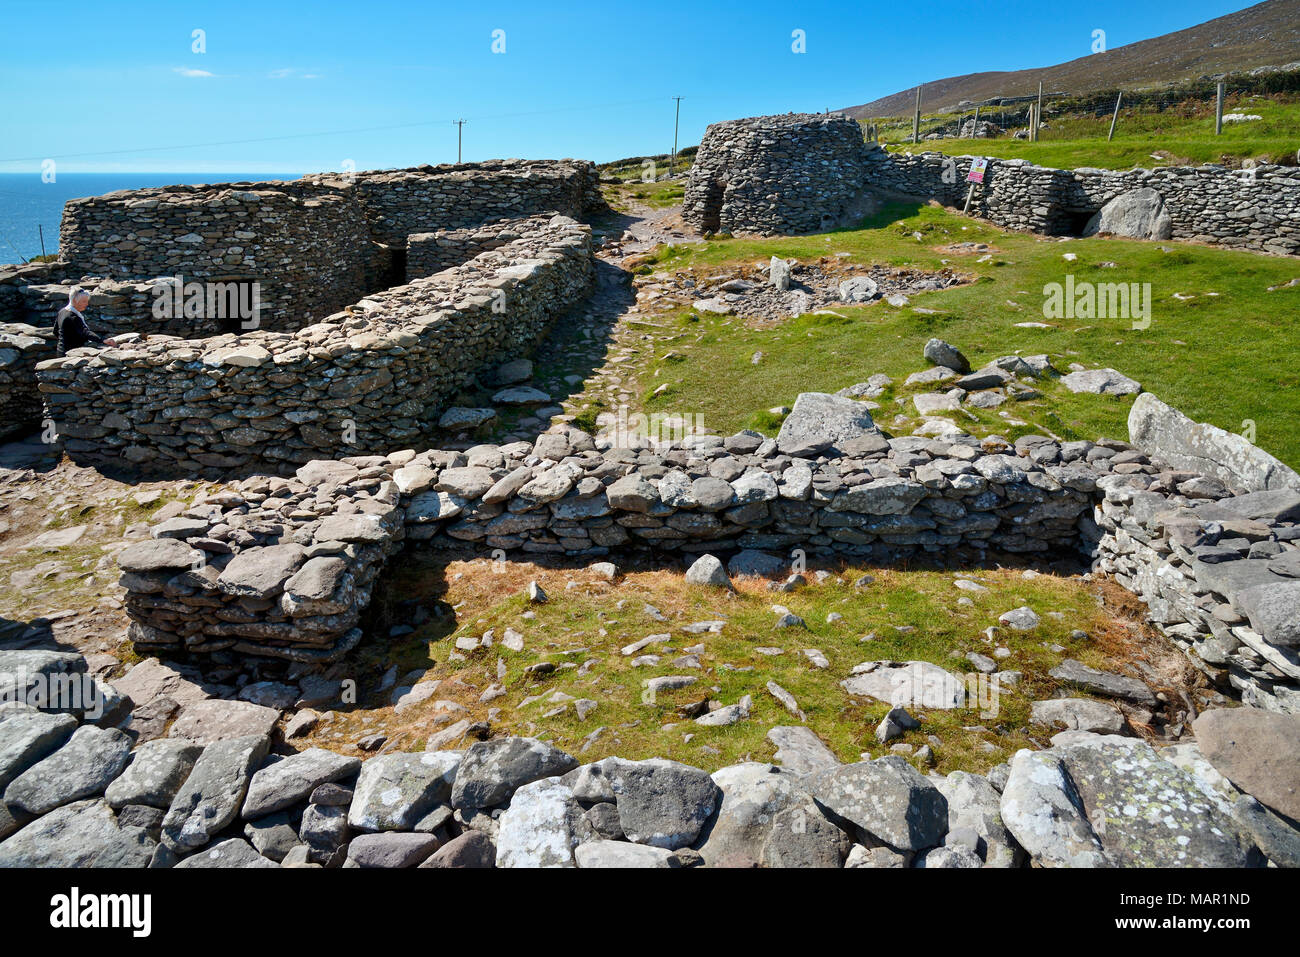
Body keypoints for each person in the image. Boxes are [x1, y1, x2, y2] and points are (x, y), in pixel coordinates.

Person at [53, 288, 117, 356]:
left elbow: (55, 331)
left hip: (60, 350)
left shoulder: (62, 312)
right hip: (69, 353)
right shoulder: (72, 317)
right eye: (84, 301)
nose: (87, 304)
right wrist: (103, 340)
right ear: (74, 301)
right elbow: (85, 332)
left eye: (87, 301)